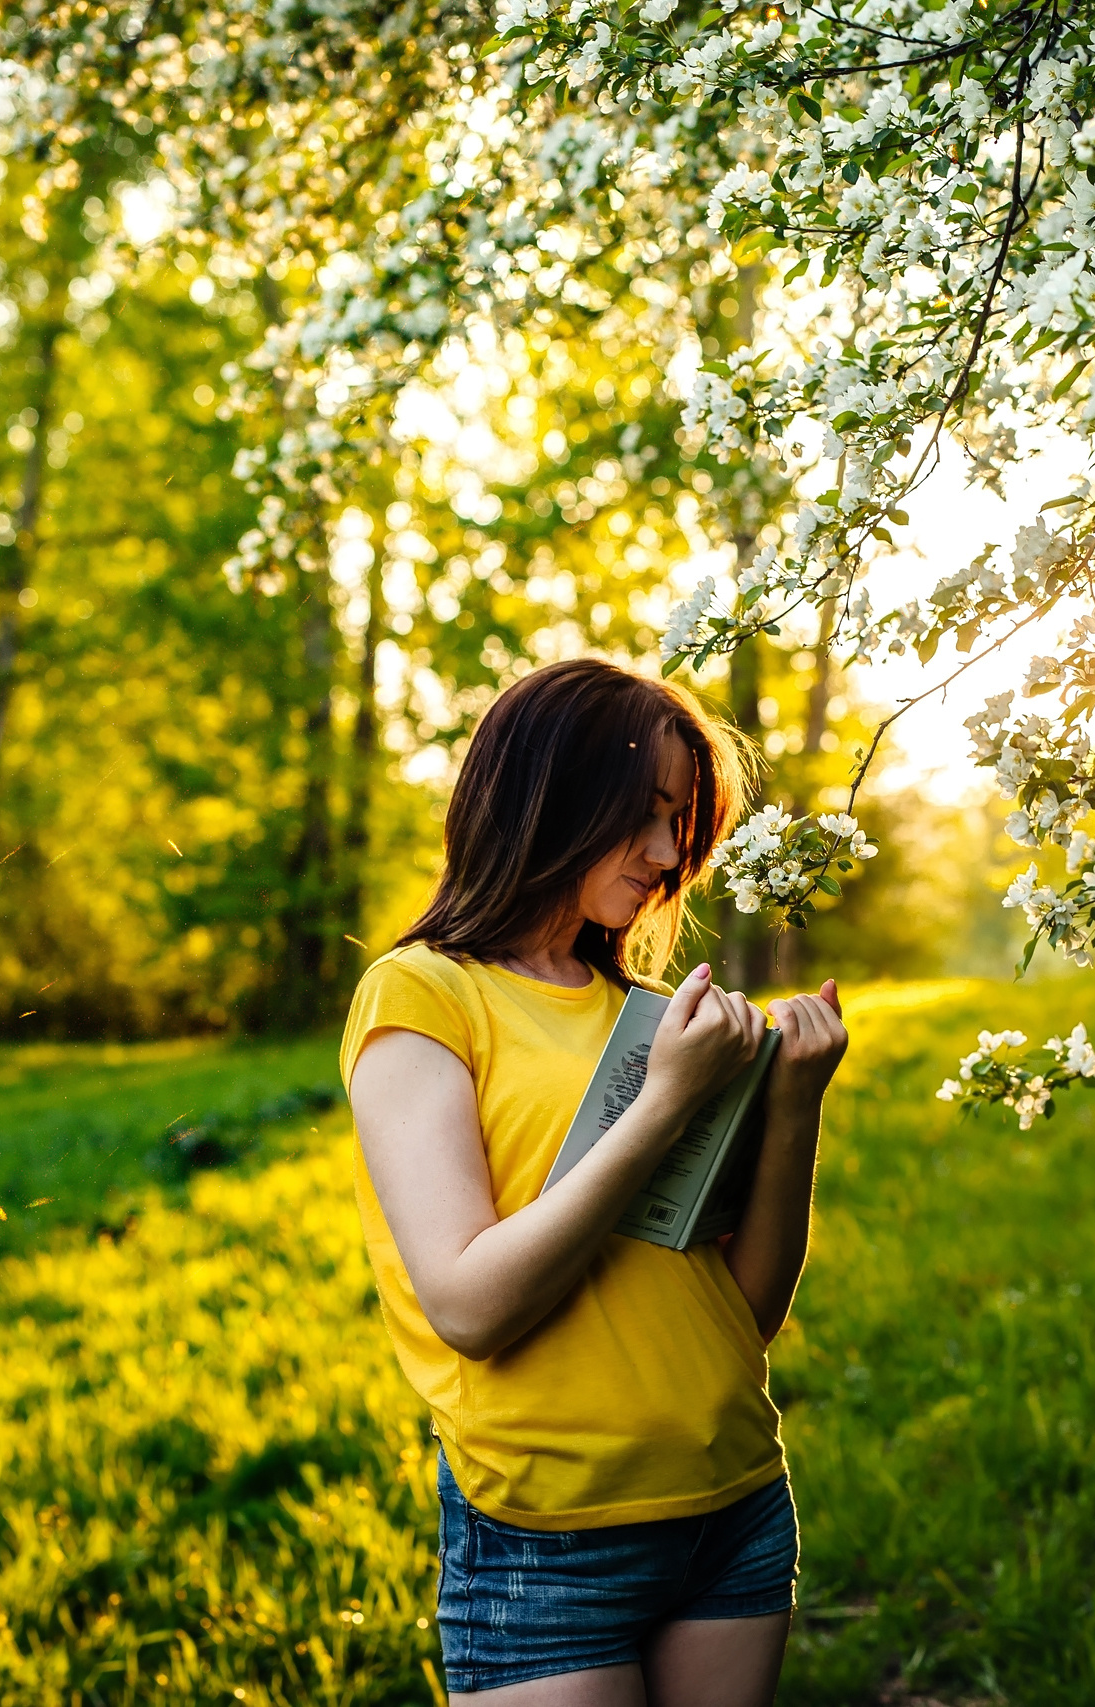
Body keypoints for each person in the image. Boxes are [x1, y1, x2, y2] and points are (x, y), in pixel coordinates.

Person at [341, 657, 850, 1706]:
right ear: (551, 795)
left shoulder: (652, 1016)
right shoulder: (422, 996)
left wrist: (793, 1100)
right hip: (548, 1536)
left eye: (683, 826)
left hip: (734, 1502)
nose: (670, 857)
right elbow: (470, 1307)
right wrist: (663, 1104)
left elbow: (741, 1314)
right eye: (649, 817)